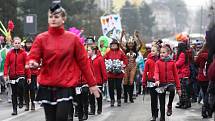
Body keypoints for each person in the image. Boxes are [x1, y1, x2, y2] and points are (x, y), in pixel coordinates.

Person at [26, 4, 100, 121]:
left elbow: (83, 63)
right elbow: (33, 55)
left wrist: (92, 84)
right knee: (50, 119)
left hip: (65, 85)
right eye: (50, 17)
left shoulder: (73, 39)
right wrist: (32, 62)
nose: (53, 19)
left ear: (63, 18)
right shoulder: (41, 38)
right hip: (47, 85)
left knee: (61, 117)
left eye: (56, 16)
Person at [4, 37, 31, 115]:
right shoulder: (9, 53)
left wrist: (29, 77)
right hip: (12, 75)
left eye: (18, 43)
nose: (17, 44)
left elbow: (27, 65)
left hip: (21, 74)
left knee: (21, 87)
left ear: (20, 44)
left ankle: (21, 99)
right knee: (14, 93)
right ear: (13, 44)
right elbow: (6, 65)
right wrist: (5, 74)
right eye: (16, 43)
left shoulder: (24, 53)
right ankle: (14, 110)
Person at [154, 44, 181, 121]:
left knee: (172, 90)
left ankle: (169, 106)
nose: (161, 54)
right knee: (161, 103)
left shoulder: (172, 63)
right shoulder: (158, 62)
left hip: (170, 83)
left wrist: (179, 88)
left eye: (163, 52)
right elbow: (156, 72)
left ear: (168, 53)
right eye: (161, 52)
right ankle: (162, 118)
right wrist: (157, 80)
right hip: (161, 83)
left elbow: (176, 76)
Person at [119, 30, 143, 103]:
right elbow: (120, 44)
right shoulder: (125, 50)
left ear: (134, 43)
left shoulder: (136, 50)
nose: (130, 45)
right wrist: (122, 35)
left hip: (133, 66)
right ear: (127, 44)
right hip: (126, 66)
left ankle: (131, 97)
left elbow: (141, 45)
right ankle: (126, 97)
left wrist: (138, 37)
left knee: (131, 81)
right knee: (125, 82)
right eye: (129, 43)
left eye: (132, 43)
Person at [104, 38, 128, 107]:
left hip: (119, 73)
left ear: (117, 45)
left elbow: (125, 59)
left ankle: (119, 99)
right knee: (110, 87)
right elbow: (104, 59)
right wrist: (107, 65)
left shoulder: (121, 52)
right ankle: (112, 100)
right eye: (112, 45)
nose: (113, 46)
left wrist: (123, 65)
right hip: (110, 74)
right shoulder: (108, 52)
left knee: (118, 87)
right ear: (110, 46)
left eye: (115, 45)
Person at [87, 44, 107, 115]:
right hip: (90, 81)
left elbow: (103, 69)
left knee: (98, 95)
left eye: (88, 50)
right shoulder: (88, 59)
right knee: (91, 96)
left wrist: (104, 79)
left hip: (98, 81)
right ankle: (92, 110)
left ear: (93, 51)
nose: (87, 51)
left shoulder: (99, 59)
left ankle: (99, 109)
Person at [142, 45, 160, 121]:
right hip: (151, 82)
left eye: (154, 51)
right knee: (153, 99)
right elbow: (145, 72)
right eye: (151, 51)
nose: (152, 52)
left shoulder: (160, 60)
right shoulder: (148, 61)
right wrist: (144, 82)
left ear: (158, 52)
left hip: (160, 82)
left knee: (160, 99)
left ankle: (159, 112)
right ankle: (154, 115)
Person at [195, 44, 212, 118]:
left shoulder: (200, 55)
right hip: (209, 77)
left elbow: (196, 64)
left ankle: (205, 110)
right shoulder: (211, 55)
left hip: (201, 77)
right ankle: (206, 110)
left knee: (205, 93)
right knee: (208, 94)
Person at [175, 42, 191, 109]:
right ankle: (184, 103)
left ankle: (185, 103)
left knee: (182, 90)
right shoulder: (185, 53)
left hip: (182, 74)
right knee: (183, 90)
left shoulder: (182, 54)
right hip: (184, 73)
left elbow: (179, 63)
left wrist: (173, 64)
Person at [24, 38, 38, 111]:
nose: (28, 45)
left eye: (30, 43)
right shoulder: (23, 52)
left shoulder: (34, 52)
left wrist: (32, 65)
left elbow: (37, 62)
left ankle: (33, 103)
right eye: (27, 43)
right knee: (25, 89)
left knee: (32, 89)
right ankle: (27, 104)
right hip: (24, 73)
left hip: (33, 73)